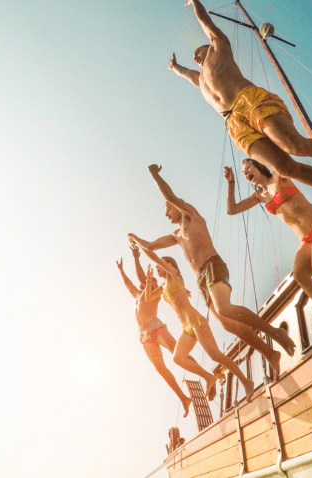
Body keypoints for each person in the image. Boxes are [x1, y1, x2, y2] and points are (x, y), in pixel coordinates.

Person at [168, 0, 312, 215]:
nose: (195, 56)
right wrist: (175, 67)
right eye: (193, 57)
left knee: (294, 145)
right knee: (283, 168)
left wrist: (195, 2)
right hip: (235, 125)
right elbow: (186, 74)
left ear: (207, 44)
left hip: (248, 100)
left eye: (197, 51)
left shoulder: (218, 45)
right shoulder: (200, 79)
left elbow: (204, 19)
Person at [129, 164, 295, 381]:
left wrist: (154, 175)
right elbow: (150, 246)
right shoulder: (176, 235)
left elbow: (169, 195)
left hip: (213, 265)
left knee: (224, 308)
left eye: (167, 209)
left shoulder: (191, 217)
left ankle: (275, 333)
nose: (167, 214)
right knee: (226, 323)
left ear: (175, 206)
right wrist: (135, 240)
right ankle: (270, 353)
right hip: (201, 279)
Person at [225, 160, 312, 335]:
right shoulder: (259, 196)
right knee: (300, 275)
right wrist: (231, 183)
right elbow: (232, 210)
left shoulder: (279, 175)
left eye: (248, 169)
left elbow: (276, 156)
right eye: (243, 173)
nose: (246, 174)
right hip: (306, 239)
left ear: (259, 166)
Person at [135, 244, 255, 402]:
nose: (157, 268)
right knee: (177, 358)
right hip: (186, 328)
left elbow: (157, 259)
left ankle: (246, 382)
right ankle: (208, 377)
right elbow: (149, 298)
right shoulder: (164, 286)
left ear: (168, 266)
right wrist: (149, 279)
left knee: (215, 355)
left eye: (160, 266)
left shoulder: (174, 275)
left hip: (196, 320)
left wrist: (140, 243)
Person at [117, 245, 219, 416]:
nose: (150, 282)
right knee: (161, 369)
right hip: (144, 336)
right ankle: (184, 399)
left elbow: (141, 277)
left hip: (156, 328)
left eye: (153, 281)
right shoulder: (138, 295)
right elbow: (129, 284)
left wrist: (136, 259)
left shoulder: (154, 292)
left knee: (179, 356)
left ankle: (207, 376)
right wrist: (121, 271)